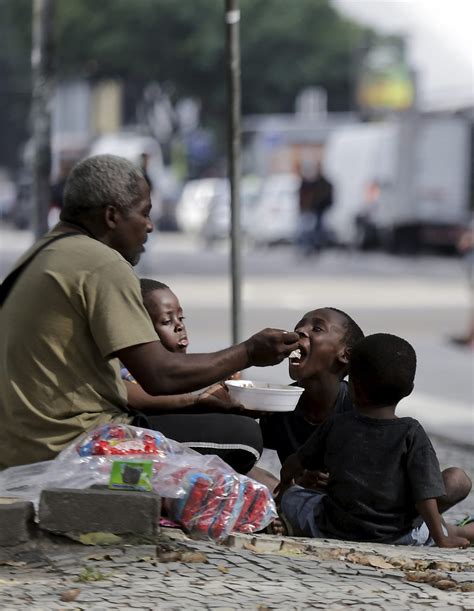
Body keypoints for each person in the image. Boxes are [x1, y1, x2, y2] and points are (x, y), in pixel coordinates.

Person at [0, 154, 299, 470]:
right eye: (144, 213)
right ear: (112, 216)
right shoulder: (101, 263)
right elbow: (160, 375)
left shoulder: (42, 253)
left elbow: (126, 387)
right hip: (68, 443)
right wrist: (249, 351)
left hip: (21, 440)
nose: (151, 226)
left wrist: (195, 402)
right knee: (242, 436)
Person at [277, 333, 473, 547]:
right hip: (398, 534)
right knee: (436, 509)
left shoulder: (337, 425)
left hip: (333, 528)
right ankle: (452, 531)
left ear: (352, 384)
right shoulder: (411, 432)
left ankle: (288, 522)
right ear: (408, 390)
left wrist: (286, 485)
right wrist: (440, 538)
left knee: (295, 498)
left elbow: (294, 464)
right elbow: (424, 493)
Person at [122, 278, 262, 474]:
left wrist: (211, 399)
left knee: (260, 475)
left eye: (181, 318)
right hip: (127, 438)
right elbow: (134, 395)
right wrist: (198, 402)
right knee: (246, 434)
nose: (179, 327)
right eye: (167, 321)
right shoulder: (127, 368)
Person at [297, 161, 333, 256]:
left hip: (316, 209)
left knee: (312, 230)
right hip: (310, 209)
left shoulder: (319, 183)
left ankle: (312, 247)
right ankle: (308, 247)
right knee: (307, 230)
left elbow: (322, 197)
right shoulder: (309, 183)